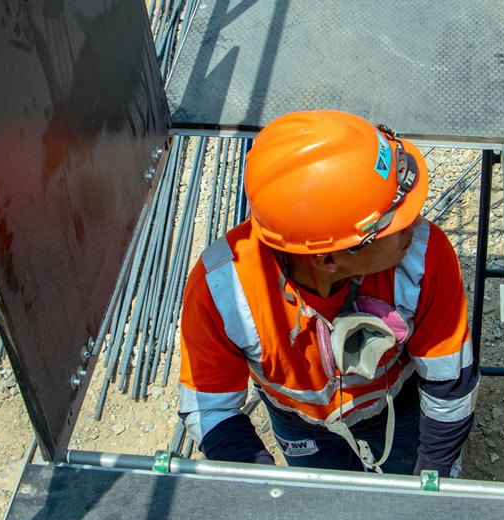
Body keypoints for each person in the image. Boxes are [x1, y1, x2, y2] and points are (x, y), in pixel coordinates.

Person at [177, 110, 478, 477]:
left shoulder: (423, 256)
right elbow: (212, 410)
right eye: (389, 224)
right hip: (301, 428)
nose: (413, 226)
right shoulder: (224, 291)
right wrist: (265, 487)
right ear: (328, 259)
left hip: (399, 412)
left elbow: (449, 383)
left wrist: (433, 469)